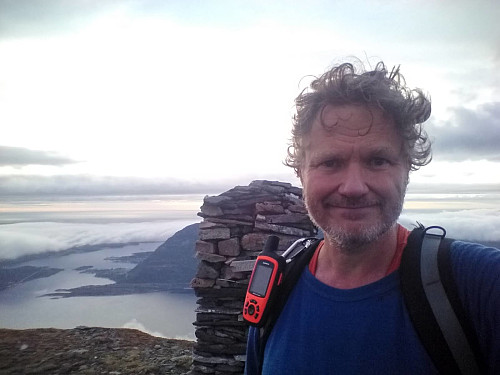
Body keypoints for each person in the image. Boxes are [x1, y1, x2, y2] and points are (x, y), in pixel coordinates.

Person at [244, 61, 500, 374]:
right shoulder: (277, 287)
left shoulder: (480, 284)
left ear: (407, 169)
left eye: (377, 160)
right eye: (330, 162)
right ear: (301, 173)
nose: (353, 187)